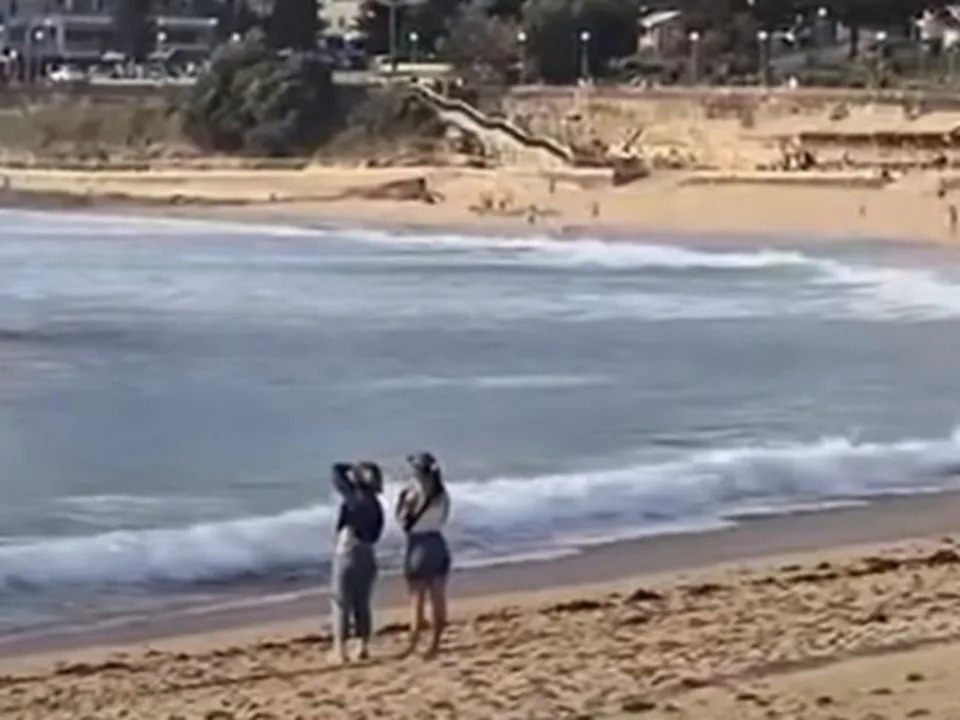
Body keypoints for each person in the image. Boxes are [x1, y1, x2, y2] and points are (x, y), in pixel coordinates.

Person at [395, 451, 451, 658]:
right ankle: (435, 644)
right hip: (437, 542)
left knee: (416, 599)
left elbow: (402, 522)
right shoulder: (442, 493)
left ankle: (413, 643)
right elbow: (444, 519)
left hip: (418, 545)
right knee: (438, 597)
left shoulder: (411, 493)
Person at [330, 461, 384, 663]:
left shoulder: (353, 498)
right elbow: (376, 534)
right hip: (368, 553)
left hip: (348, 551)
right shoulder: (376, 505)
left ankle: (340, 650)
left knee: (341, 602)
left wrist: (351, 467)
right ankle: (362, 647)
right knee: (362, 603)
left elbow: (336, 471)